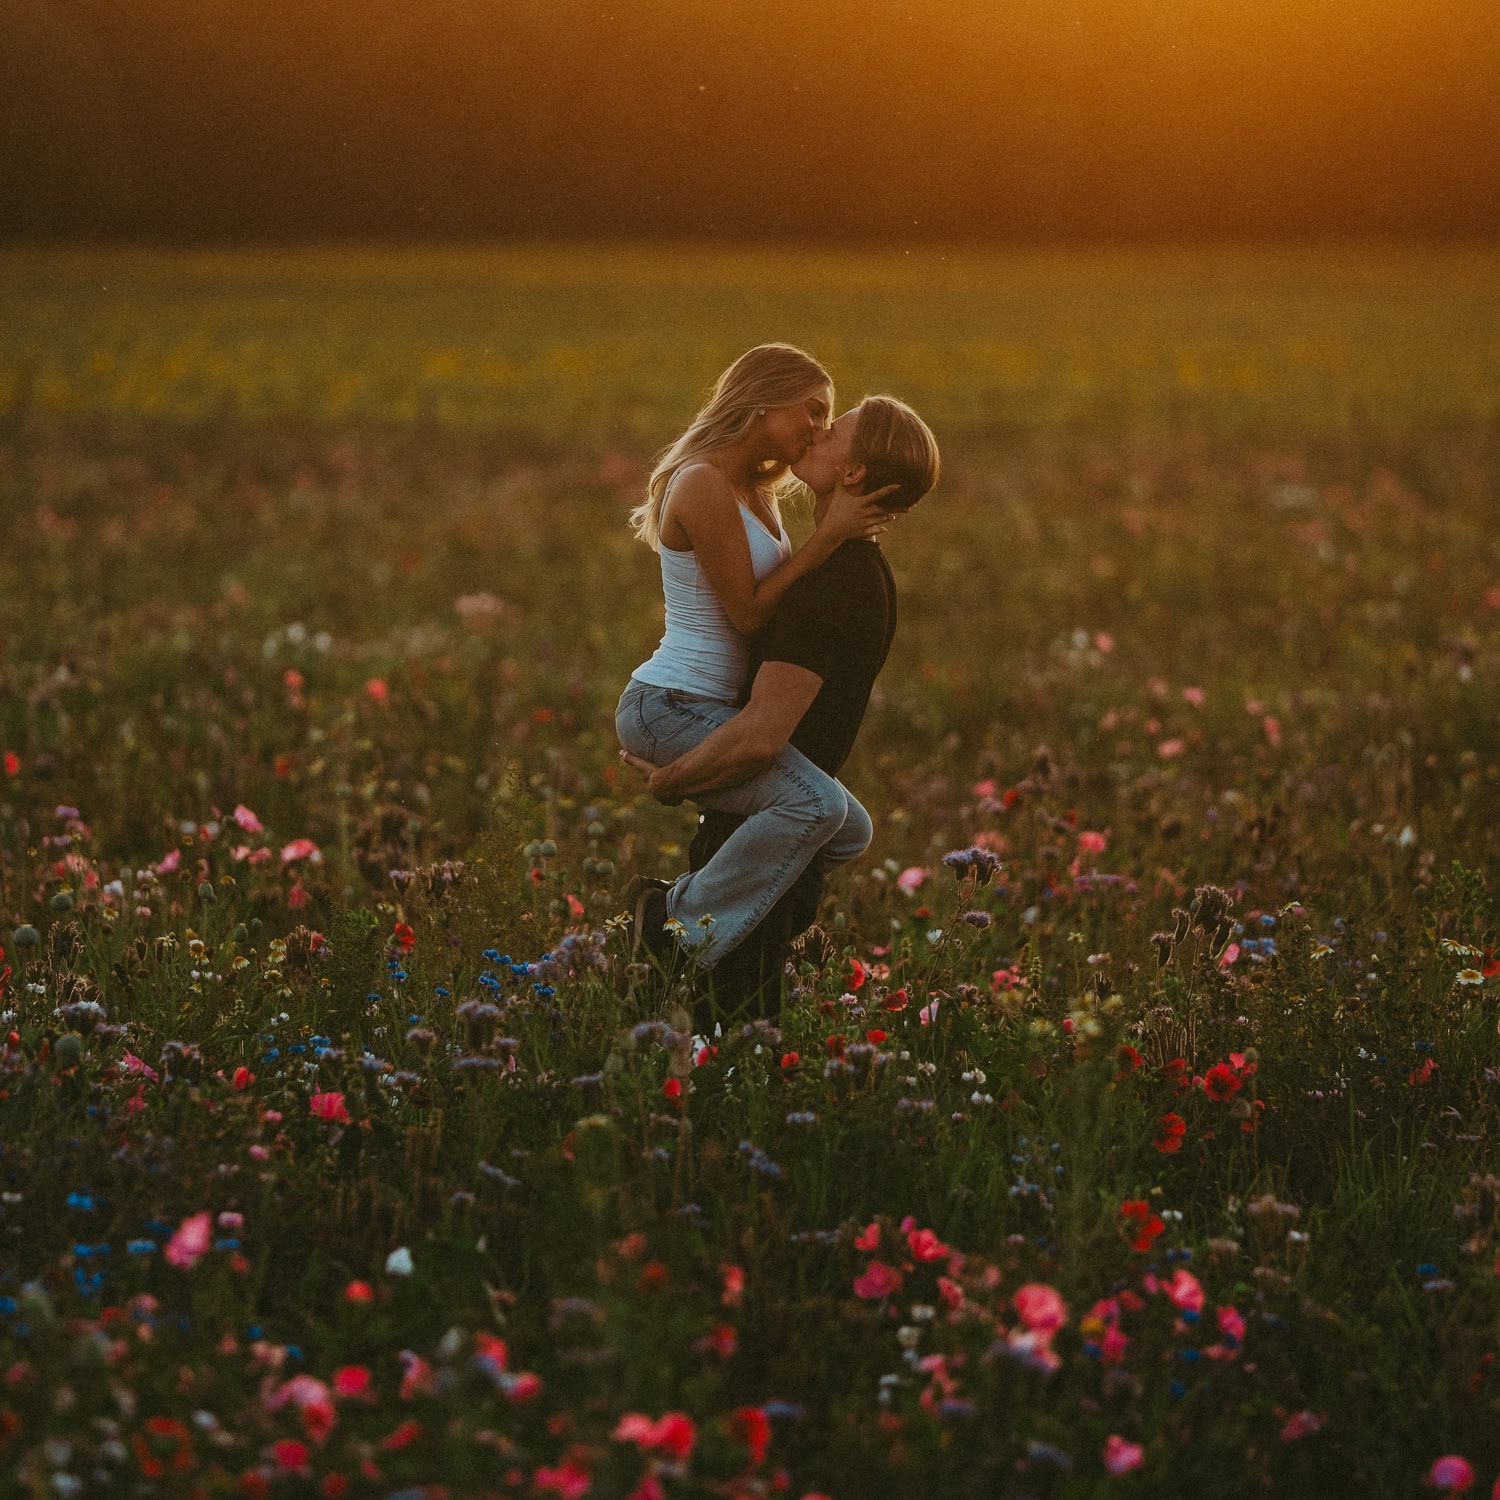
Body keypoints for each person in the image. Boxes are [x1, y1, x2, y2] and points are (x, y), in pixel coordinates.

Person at [622, 394, 940, 1004]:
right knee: (846, 829)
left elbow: (761, 736)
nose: (815, 434)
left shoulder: (832, 588)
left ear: (851, 473)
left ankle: (665, 918)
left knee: (723, 1016)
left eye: (832, 431)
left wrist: (672, 780)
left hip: (759, 813)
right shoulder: (852, 569)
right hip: (758, 831)